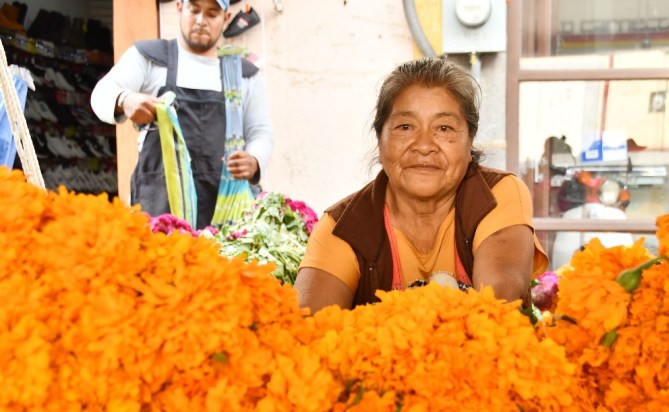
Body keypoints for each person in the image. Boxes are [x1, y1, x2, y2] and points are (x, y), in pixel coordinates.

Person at [294, 57, 548, 313]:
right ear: (380, 141)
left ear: (470, 141)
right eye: (405, 127)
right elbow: (309, 331)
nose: (424, 145)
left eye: (444, 128)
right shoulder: (343, 227)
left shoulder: (498, 195)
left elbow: (498, 306)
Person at [90, 0, 273, 229]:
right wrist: (124, 99)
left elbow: (261, 132)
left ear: (226, 19)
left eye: (212, 14)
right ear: (179, 8)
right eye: (194, 9)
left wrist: (254, 160)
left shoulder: (244, 76)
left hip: (221, 214)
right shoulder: (148, 58)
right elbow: (101, 94)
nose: (200, 20)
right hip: (157, 210)